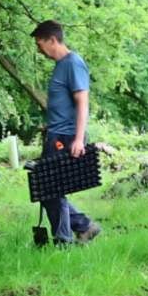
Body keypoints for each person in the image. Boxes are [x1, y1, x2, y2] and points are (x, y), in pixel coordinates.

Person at [30, 20, 100, 247]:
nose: (39, 50)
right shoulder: (61, 65)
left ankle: (65, 240)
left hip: (65, 137)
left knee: (52, 189)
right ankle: (83, 226)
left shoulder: (73, 63)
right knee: (47, 188)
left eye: (40, 44)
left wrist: (79, 138)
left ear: (52, 40)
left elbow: (82, 101)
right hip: (55, 133)